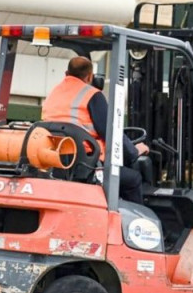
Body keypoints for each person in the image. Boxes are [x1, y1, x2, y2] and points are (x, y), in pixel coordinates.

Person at [41, 56, 150, 203]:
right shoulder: (92, 95)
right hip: (86, 164)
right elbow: (110, 131)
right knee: (134, 179)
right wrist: (134, 151)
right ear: (89, 76)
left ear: (66, 73)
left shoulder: (53, 94)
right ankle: (134, 217)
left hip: (55, 160)